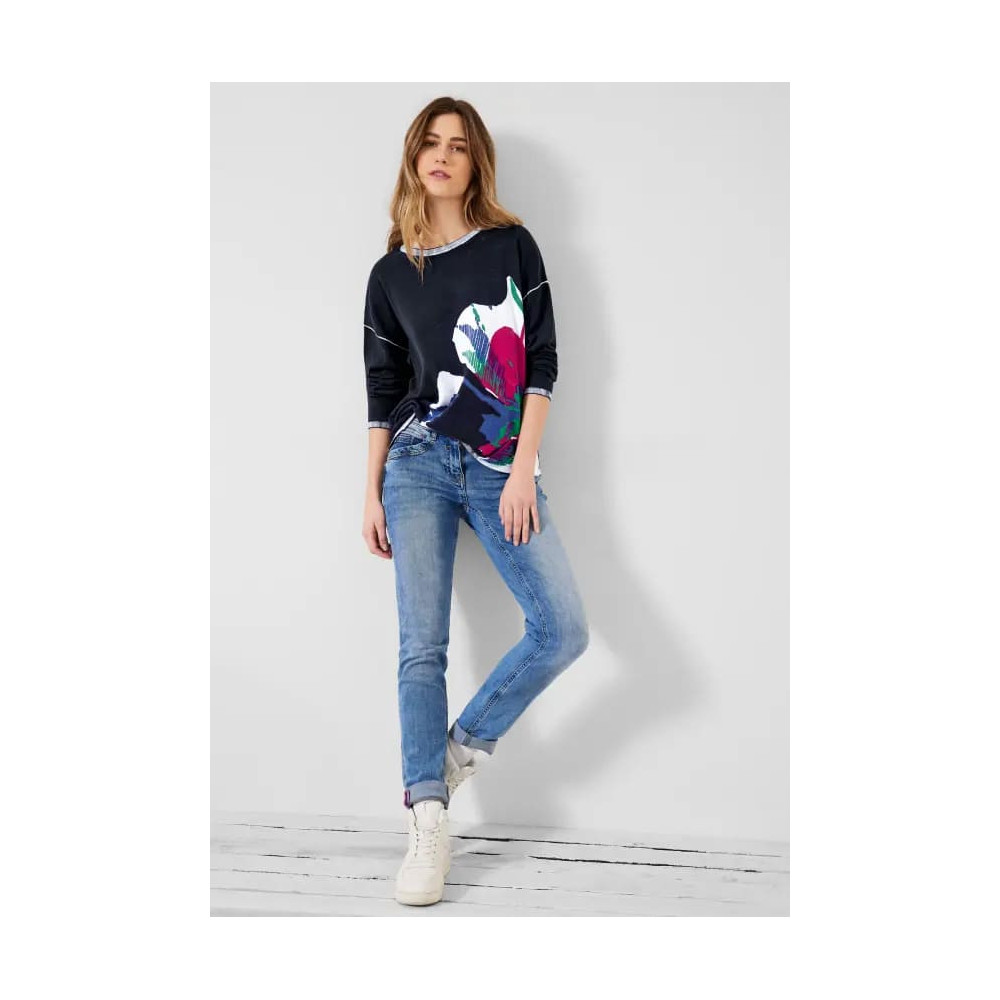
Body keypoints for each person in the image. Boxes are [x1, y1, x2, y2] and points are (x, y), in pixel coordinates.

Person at [360, 97, 589, 907]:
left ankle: (457, 749)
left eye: (458, 146)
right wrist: (370, 491)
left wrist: (524, 468)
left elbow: (542, 360)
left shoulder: (510, 246)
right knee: (420, 649)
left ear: (475, 161)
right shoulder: (391, 274)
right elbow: (383, 389)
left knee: (562, 628)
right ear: (413, 156)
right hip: (416, 463)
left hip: (499, 464)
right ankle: (428, 820)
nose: (443, 156)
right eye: (431, 142)